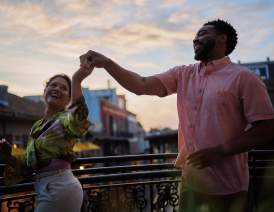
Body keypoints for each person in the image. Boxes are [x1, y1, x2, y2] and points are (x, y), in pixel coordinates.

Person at [80, 19, 274, 212]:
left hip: (229, 189)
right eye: (196, 35)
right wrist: (106, 63)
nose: (195, 39)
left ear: (222, 38)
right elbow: (141, 85)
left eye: (203, 33)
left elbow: (267, 128)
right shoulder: (183, 74)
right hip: (190, 185)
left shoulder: (245, 78)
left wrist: (220, 151)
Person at [0, 59, 93, 212]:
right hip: (45, 188)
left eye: (64, 88)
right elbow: (28, 166)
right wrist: (8, 156)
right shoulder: (37, 126)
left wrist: (77, 79)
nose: (57, 88)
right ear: (44, 91)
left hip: (61, 188)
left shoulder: (65, 119)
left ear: (68, 99)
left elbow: (79, 117)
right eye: (53, 85)